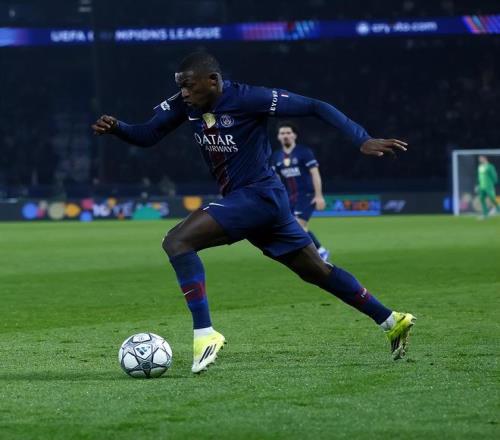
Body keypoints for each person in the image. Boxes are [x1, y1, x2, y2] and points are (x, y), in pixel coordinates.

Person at [92, 52, 415, 374]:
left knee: (177, 241)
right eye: (180, 87)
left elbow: (316, 106)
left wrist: (362, 139)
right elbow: (148, 134)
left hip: (259, 195)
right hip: (257, 202)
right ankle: (391, 320)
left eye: (189, 86)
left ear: (213, 81)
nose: (184, 93)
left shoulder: (250, 98)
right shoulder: (186, 105)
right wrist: (118, 128)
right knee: (317, 271)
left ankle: (205, 334)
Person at [271, 121, 330, 261]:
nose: (285, 136)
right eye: (282, 133)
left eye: (288, 133)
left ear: (294, 135)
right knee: (290, 226)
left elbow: (315, 173)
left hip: (307, 195)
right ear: (278, 137)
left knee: (299, 225)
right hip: (290, 197)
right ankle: (312, 251)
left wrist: (319, 195)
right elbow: (276, 180)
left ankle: (320, 251)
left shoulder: (304, 152)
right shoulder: (276, 156)